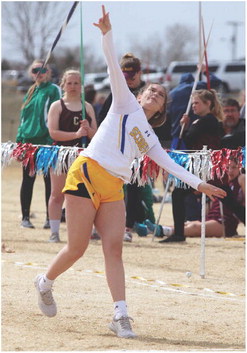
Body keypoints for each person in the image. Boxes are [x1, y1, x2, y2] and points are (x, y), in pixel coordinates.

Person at [34, 6, 226, 339]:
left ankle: (121, 315)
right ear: (139, 94)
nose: (155, 92)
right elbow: (112, 65)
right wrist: (107, 34)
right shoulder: (125, 102)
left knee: (114, 248)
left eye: (161, 95)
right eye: (151, 89)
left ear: (162, 110)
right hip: (86, 174)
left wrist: (199, 184)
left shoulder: (149, 135)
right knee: (77, 248)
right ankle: (45, 281)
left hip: (113, 187)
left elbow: (167, 162)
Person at [160, 88, 224, 243]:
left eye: (197, 103)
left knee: (179, 194)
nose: (193, 106)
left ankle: (179, 234)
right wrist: (186, 125)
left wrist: (185, 127)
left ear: (207, 104)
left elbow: (188, 139)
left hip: (205, 166)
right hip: (199, 165)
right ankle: (179, 234)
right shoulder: (200, 120)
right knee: (179, 194)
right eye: (193, 103)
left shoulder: (208, 120)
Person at [47, 69, 97, 243]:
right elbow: (53, 132)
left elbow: (96, 135)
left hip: (83, 156)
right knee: (57, 194)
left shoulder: (87, 107)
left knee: (83, 194)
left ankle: (84, 230)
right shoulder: (57, 106)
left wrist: (88, 130)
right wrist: (76, 135)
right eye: (69, 83)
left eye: (76, 83)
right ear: (64, 85)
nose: (73, 86)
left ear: (81, 85)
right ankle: (54, 231)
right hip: (61, 155)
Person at [146, 157, 245, 238]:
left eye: (234, 167)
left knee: (195, 227)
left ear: (240, 168)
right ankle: (152, 229)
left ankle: (163, 231)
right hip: (212, 216)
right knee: (188, 224)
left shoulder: (242, 178)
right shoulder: (222, 179)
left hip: (225, 221)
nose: (230, 171)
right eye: (227, 167)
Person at [16, 60, 62, 229]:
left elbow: (55, 114)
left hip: (46, 143)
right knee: (27, 180)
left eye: (43, 69)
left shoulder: (53, 90)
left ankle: (50, 218)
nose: (39, 72)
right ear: (31, 73)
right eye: (35, 69)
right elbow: (23, 119)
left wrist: (52, 140)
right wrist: (20, 141)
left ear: (49, 72)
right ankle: (25, 218)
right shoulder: (30, 91)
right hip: (28, 144)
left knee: (49, 181)